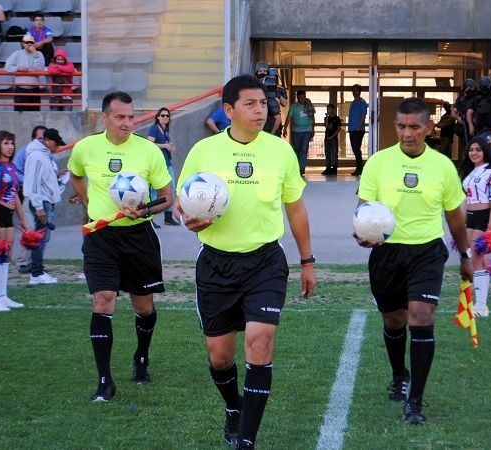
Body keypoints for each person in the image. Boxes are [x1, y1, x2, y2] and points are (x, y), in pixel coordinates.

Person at [174, 75, 315, 450]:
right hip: (215, 264)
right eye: (250, 103)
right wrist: (187, 219)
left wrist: (307, 261)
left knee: (259, 342)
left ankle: (247, 440)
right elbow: (181, 204)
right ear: (229, 110)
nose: (260, 110)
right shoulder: (204, 151)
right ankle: (233, 407)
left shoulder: (280, 151)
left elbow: (296, 208)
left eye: (263, 103)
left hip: (265, 263)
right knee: (220, 358)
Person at [355, 97, 471, 425]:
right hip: (387, 253)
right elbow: (364, 208)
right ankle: (399, 375)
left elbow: (456, 217)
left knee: (421, 316)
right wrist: (362, 232)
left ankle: (415, 401)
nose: (407, 133)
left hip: (427, 251)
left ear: (429, 127)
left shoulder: (443, 166)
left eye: (415, 127)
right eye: (402, 126)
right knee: (395, 321)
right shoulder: (378, 163)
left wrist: (465, 255)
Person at [68, 91, 174, 403]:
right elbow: (75, 176)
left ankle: (141, 356)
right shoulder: (85, 148)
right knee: (103, 300)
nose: (127, 123)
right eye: (120, 117)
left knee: (144, 308)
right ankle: (105, 381)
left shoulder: (148, 150)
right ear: (104, 118)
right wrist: (89, 203)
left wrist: (145, 210)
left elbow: (168, 197)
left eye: (131, 117)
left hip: (138, 237)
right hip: (100, 237)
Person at [0, 130, 28, 312]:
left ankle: (2, 297)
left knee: (6, 257)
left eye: (12, 143)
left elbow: (15, 195)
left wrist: (22, 219)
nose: (10, 147)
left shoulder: (11, 167)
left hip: (8, 215)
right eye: (6, 143)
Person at [458, 137, 491, 318]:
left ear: (485, 152)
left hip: (484, 217)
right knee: (474, 259)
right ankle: (478, 302)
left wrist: (490, 228)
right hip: (471, 218)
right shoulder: (470, 172)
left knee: (477, 259)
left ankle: (481, 306)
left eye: (478, 150)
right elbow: (467, 200)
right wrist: (461, 224)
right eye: (471, 150)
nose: (474, 153)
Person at [23, 128, 66, 285]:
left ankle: (38, 271)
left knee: (41, 238)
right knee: (39, 239)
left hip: (44, 201)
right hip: (42, 202)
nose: (58, 147)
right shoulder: (37, 157)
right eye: (56, 143)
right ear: (48, 141)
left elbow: (42, 181)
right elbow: (33, 184)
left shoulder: (43, 156)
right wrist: (39, 207)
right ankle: (36, 273)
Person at [13, 125, 46, 274]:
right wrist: (29, 180)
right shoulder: (24, 152)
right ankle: (23, 262)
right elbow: (15, 172)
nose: (43, 141)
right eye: (39, 138)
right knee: (29, 228)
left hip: (43, 197)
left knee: (42, 232)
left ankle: (36, 263)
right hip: (27, 196)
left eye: (45, 138)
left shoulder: (47, 154)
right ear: (33, 139)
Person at [146, 107, 181, 226]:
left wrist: (169, 147)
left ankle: (168, 217)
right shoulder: (154, 128)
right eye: (163, 115)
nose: (165, 117)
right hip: (157, 164)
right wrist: (165, 146)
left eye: (167, 115)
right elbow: (149, 144)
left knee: (172, 188)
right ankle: (150, 218)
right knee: (154, 191)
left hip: (167, 162)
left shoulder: (166, 130)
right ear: (158, 117)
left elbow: (163, 145)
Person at [4, 34, 45, 112]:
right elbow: (7, 67)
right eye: (27, 42)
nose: (29, 44)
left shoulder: (39, 54)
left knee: (35, 113)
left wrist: (35, 54)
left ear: (34, 43)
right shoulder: (17, 53)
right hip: (21, 89)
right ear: (23, 44)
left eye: (31, 42)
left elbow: (39, 69)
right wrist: (18, 68)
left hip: (35, 89)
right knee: (20, 114)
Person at [283, 90, 315, 176]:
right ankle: (296, 167)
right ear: (297, 98)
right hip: (296, 131)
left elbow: (313, 117)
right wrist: (285, 128)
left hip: (307, 131)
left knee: (304, 149)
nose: (302, 99)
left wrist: (313, 129)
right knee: (297, 149)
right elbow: (289, 117)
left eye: (303, 97)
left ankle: (301, 168)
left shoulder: (309, 105)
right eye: (300, 97)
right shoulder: (294, 106)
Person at [347, 84, 368, 175]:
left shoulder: (362, 102)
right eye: (353, 91)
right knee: (355, 149)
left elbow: (363, 116)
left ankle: (360, 169)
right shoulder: (353, 102)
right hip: (352, 129)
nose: (354, 92)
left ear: (359, 92)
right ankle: (359, 168)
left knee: (356, 149)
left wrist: (358, 128)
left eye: (356, 90)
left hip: (358, 130)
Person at [322, 103, 342, 175]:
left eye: (329, 109)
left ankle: (334, 169)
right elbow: (326, 126)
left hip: (334, 139)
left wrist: (332, 136)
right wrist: (327, 117)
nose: (328, 110)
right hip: (327, 138)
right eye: (327, 109)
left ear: (333, 110)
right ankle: (328, 168)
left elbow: (338, 129)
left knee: (334, 154)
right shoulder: (326, 118)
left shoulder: (337, 118)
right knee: (327, 154)